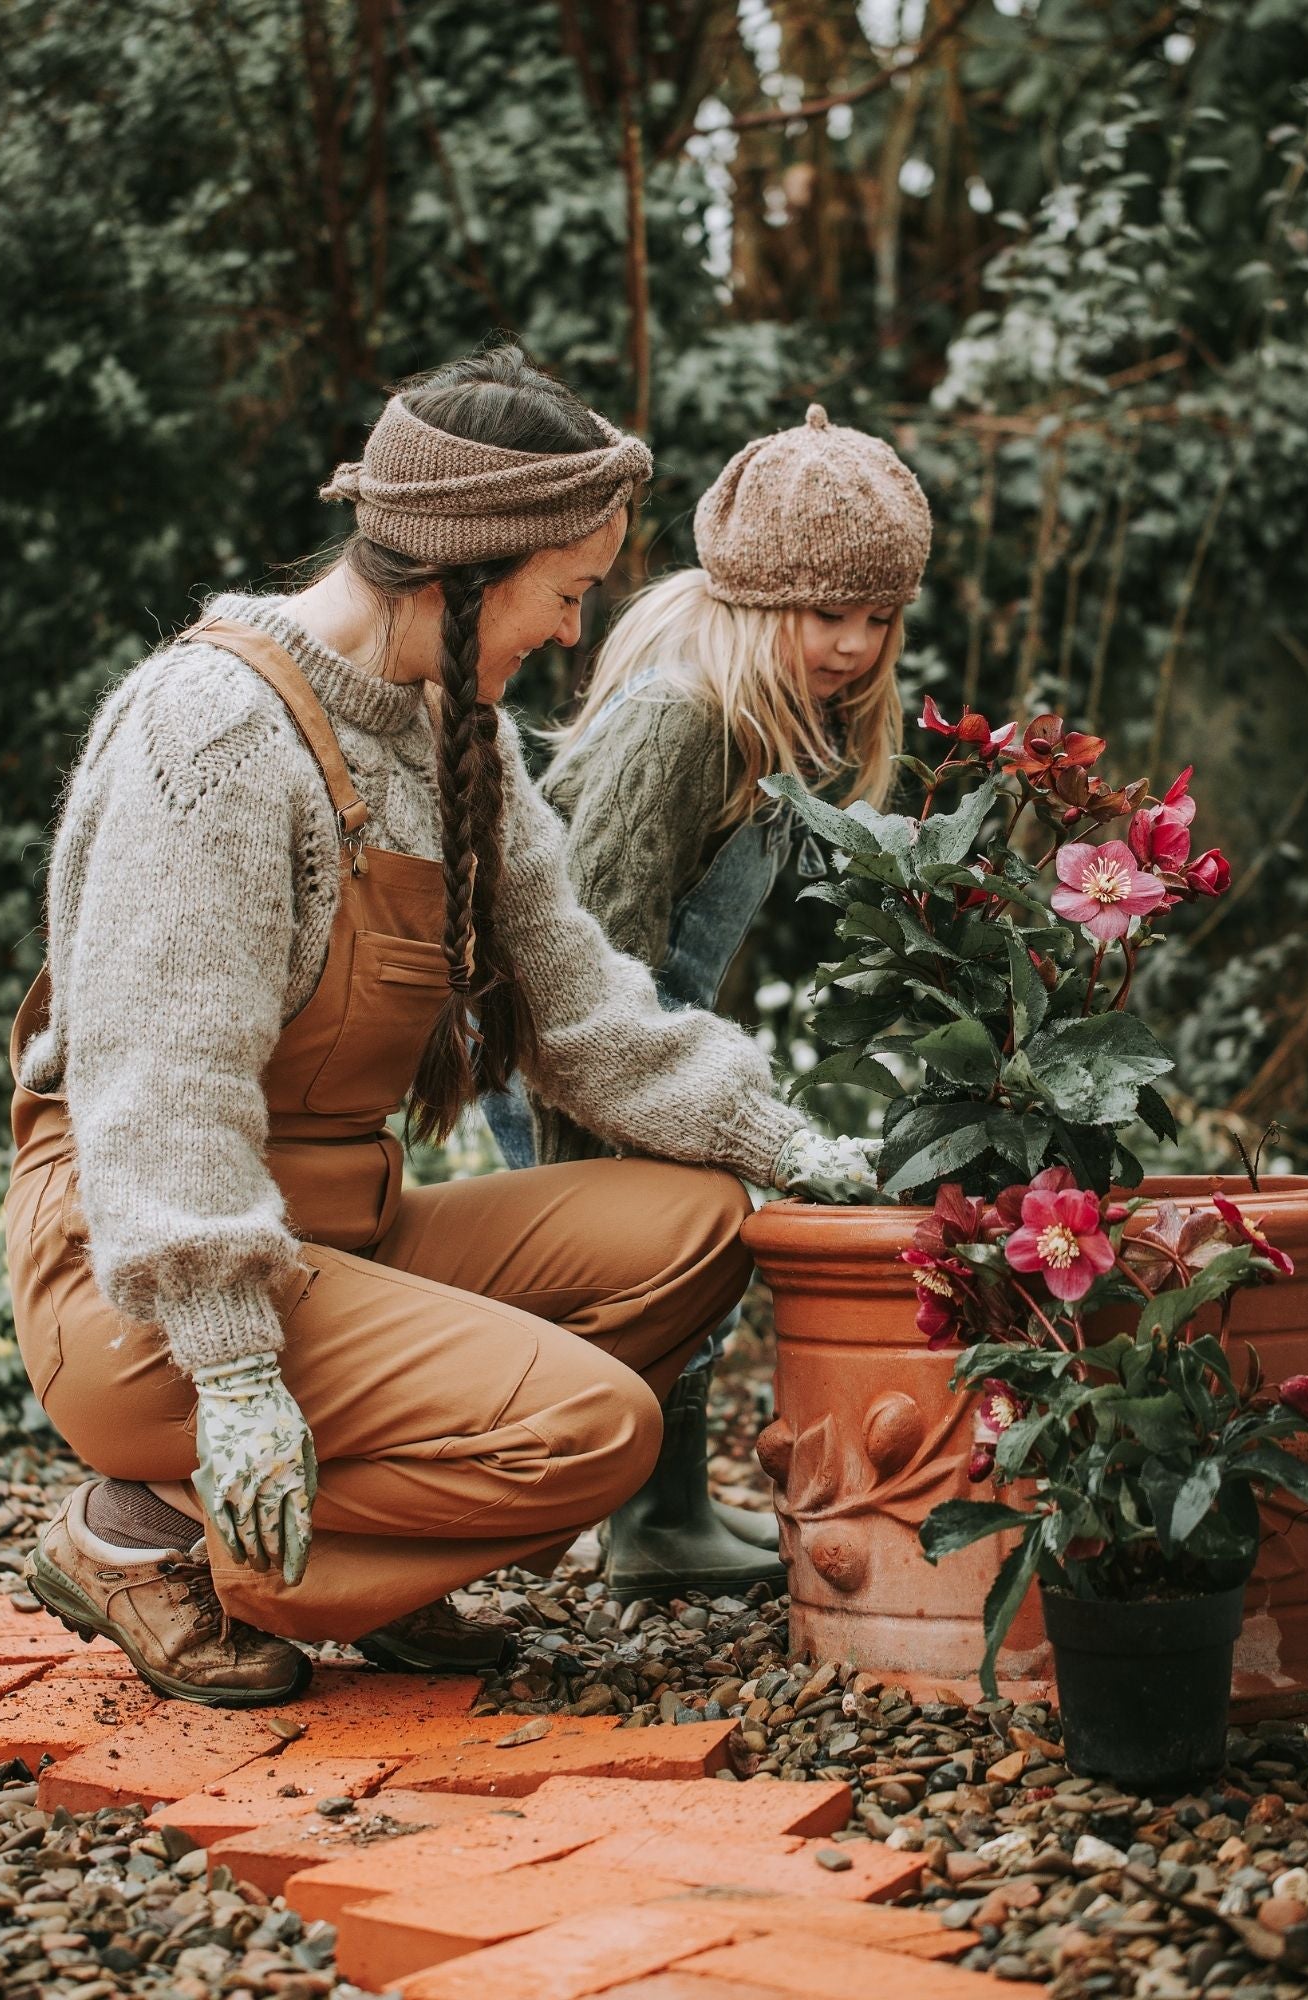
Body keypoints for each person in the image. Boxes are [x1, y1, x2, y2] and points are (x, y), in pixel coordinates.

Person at [5, 344, 880, 1706]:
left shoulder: (451, 736)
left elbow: (584, 1014)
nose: (578, 634)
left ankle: (380, 1562)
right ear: (475, 565)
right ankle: (153, 1537)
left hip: (341, 1236)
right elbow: (161, 1092)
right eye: (571, 592)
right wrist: (234, 1375)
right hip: (151, 1292)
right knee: (600, 1432)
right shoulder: (215, 730)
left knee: (704, 1226)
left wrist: (785, 1144)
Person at [484, 404, 932, 1598]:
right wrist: (600, 1154)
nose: (851, 645)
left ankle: (669, 1508)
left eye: (877, 618)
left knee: (699, 1254)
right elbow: (583, 950)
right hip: (572, 1042)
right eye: (825, 613)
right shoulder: (681, 718)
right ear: (750, 599)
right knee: (667, 1262)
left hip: (636, 1031)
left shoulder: (766, 716)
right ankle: (645, 1523)